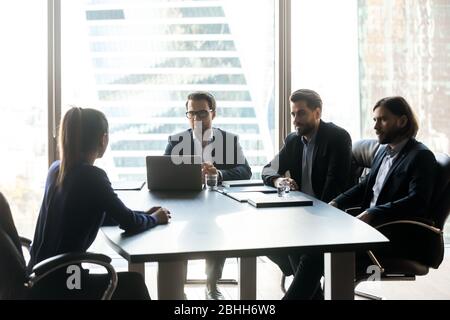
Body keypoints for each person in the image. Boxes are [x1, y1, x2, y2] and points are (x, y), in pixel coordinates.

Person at [28, 107, 171, 300]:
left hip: (39, 278)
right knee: (134, 284)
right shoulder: (92, 176)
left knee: (130, 282)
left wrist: (144, 214)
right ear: (103, 139)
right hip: (64, 286)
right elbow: (129, 222)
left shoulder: (57, 169)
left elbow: (93, 214)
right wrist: (154, 219)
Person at [261, 89, 352, 299]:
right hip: (301, 215)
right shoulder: (294, 140)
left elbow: (334, 187)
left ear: (317, 112)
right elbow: (267, 169)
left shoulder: (337, 137)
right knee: (264, 237)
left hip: (331, 216)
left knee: (305, 252)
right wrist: (278, 180)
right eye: (293, 114)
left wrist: (307, 220)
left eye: (301, 113)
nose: (295, 120)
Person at [164, 91, 251, 300]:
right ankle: (177, 286)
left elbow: (245, 171)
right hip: (185, 205)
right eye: (191, 114)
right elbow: (164, 171)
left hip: (218, 204)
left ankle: (212, 285)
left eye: (202, 113)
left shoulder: (228, 140)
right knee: (173, 233)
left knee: (216, 233)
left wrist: (219, 173)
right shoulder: (177, 141)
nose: (196, 119)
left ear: (213, 113)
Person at [330, 96, 437, 226]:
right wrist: (336, 202)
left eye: (383, 120)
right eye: (375, 120)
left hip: (394, 228)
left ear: (402, 121)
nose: (375, 126)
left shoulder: (421, 156)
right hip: (369, 225)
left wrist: (373, 213)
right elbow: (365, 186)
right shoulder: (382, 151)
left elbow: (417, 201)